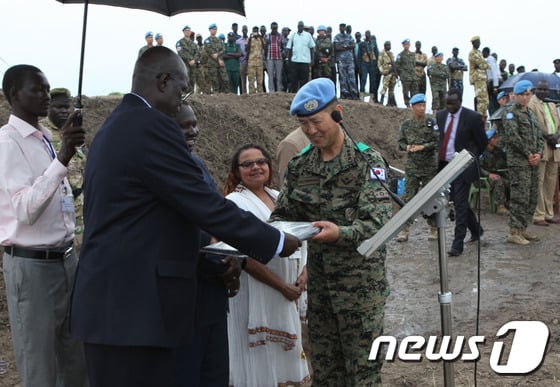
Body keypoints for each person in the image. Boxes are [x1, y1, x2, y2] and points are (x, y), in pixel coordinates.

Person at [69, 46, 300, 387]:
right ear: (163, 81)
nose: (183, 98)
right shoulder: (149, 126)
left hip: (119, 306)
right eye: (182, 88)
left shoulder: (120, 124)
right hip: (132, 307)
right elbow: (204, 204)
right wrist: (278, 239)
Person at [269, 77, 393, 386]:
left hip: (360, 293)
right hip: (321, 292)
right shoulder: (300, 167)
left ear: (337, 114)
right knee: (325, 375)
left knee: (362, 376)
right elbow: (281, 216)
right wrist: (280, 233)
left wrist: (341, 233)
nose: (310, 130)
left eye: (316, 121)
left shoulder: (368, 162)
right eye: (303, 124)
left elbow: (377, 224)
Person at [0, 64, 88, 386]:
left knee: (75, 360)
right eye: (37, 90)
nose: (46, 96)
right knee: (40, 366)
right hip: (32, 268)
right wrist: (62, 158)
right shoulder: (8, 144)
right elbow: (25, 210)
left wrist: (61, 151)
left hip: (66, 260)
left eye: (48, 89)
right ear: (13, 95)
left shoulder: (45, 138)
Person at [224, 144, 311, 387]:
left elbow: (301, 238)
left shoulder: (278, 197)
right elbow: (243, 257)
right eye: (248, 164)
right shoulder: (234, 203)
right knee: (258, 353)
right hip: (257, 290)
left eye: (261, 162)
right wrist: (281, 286)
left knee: (284, 351)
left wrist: (304, 271)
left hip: (289, 290)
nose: (256, 167)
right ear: (236, 171)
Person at [173, 103, 241, 386]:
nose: (193, 131)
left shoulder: (197, 164)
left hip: (213, 291)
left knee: (215, 374)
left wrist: (236, 257)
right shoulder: (162, 169)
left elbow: (216, 215)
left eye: (195, 124)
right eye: (185, 126)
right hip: (184, 295)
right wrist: (222, 261)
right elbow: (181, 228)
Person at [437, 88, 488, 256]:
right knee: (460, 202)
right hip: (445, 165)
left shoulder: (472, 117)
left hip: (463, 167)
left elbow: (482, 142)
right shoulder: (441, 115)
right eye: (448, 103)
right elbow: (442, 138)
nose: (450, 106)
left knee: (459, 204)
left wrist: (470, 158)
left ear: (460, 101)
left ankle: (457, 244)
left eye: (453, 103)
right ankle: (476, 229)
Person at [39, 87, 87, 252]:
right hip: (55, 208)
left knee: (80, 253)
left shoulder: (75, 131)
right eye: (58, 107)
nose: (64, 111)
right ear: (48, 107)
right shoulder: (42, 134)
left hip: (78, 207)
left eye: (67, 107)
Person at [502, 80, 544, 244]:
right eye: (522, 95)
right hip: (519, 162)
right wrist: (528, 154)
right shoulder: (511, 112)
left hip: (533, 162)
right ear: (516, 95)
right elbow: (513, 137)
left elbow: (539, 137)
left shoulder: (531, 114)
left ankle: (523, 229)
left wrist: (538, 153)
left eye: (528, 94)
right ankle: (514, 231)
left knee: (531, 196)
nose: (525, 98)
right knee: (520, 197)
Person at [396, 93, 439, 242]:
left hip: (429, 167)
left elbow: (436, 142)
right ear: (412, 107)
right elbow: (400, 143)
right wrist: (407, 147)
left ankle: (433, 228)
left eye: (423, 105)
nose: (422, 108)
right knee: (407, 198)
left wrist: (423, 147)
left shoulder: (431, 122)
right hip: (412, 167)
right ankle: (404, 229)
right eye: (419, 106)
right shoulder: (406, 124)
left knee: (431, 198)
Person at [528, 80, 560, 225]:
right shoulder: (531, 104)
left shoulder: (552, 105)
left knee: (550, 181)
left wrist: (556, 136)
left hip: (554, 147)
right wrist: (547, 136)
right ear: (535, 90)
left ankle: (549, 213)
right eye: (540, 89)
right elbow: (531, 126)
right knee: (539, 181)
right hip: (540, 146)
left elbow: (558, 124)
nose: (543, 92)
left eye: (545, 90)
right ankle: (538, 215)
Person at [479, 129, 509, 215]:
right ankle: (500, 206)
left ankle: (508, 203)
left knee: (509, 182)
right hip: (483, 178)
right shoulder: (482, 152)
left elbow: (503, 163)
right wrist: (488, 174)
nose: (497, 140)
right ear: (488, 140)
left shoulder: (498, 151)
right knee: (498, 181)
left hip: (496, 175)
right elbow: (478, 168)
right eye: (494, 138)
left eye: (497, 138)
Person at [176, 25, 208, 94]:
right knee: (186, 82)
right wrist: (190, 59)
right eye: (186, 31)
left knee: (193, 83)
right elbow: (181, 53)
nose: (187, 32)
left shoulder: (194, 44)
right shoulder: (179, 43)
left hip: (194, 66)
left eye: (189, 31)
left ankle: (192, 98)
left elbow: (198, 53)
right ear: (184, 32)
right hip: (185, 65)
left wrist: (194, 60)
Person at [286, 21, 315, 93]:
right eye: (299, 26)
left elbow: (312, 48)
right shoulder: (293, 35)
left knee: (304, 80)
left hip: (305, 61)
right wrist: (287, 59)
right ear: (297, 26)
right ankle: (293, 93)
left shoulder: (308, 35)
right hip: (295, 61)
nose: (300, 27)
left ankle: (303, 93)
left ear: (303, 27)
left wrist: (312, 59)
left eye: (302, 26)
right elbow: (289, 48)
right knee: (294, 79)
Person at [333, 23, 358, 100]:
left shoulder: (349, 36)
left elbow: (353, 45)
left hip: (350, 60)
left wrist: (343, 46)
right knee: (342, 78)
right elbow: (337, 47)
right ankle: (344, 94)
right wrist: (347, 47)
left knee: (352, 77)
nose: (342, 28)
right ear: (339, 28)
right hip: (341, 61)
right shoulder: (336, 37)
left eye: (344, 27)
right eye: (341, 27)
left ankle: (353, 94)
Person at [468, 36, 490, 122]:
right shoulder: (473, 53)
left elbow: (482, 64)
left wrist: (484, 64)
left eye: (479, 42)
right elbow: (482, 65)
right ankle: (480, 121)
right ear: (473, 43)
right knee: (481, 101)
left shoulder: (479, 52)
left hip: (482, 78)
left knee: (485, 101)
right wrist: (488, 65)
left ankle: (483, 120)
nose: (479, 43)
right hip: (478, 78)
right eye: (477, 42)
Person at [205, 23, 229, 93]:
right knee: (215, 82)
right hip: (212, 64)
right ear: (209, 30)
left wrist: (218, 55)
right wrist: (218, 58)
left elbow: (223, 50)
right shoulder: (207, 41)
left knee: (225, 80)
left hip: (221, 63)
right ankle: (216, 97)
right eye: (213, 29)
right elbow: (211, 52)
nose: (214, 31)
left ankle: (228, 95)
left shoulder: (219, 40)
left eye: (215, 29)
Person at [358, 30, 380, 103]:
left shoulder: (373, 43)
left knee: (372, 81)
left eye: (369, 34)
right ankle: (361, 96)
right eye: (366, 34)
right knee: (363, 79)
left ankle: (371, 98)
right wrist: (359, 66)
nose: (368, 35)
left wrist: (377, 64)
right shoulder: (361, 44)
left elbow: (376, 53)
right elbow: (359, 56)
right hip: (364, 63)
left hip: (372, 63)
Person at [395, 38, 419, 107]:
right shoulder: (400, 55)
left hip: (413, 76)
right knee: (405, 92)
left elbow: (414, 65)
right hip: (405, 77)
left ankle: (413, 104)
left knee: (414, 92)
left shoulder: (412, 54)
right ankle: (407, 104)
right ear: (403, 45)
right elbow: (397, 66)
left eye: (408, 44)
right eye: (405, 44)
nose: (407, 46)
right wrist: (402, 74)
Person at [265, 22, 284, 92]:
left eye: (275, 28)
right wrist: (265, 58)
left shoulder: (280, 36)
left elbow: (282, 46)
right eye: (273, 28)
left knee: (279, 76)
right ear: (271, 28)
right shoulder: (267, 36)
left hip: (279, 58)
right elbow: (265, 48)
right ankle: (271, 91)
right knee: (270, 76)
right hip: (270, 58)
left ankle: (279, 91)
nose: (274, 29)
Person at [246, 26, 265, 94]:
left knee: (260, 80)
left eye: (257, 30)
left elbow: (264, 47)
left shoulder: (261, 39)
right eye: (254, 30)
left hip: (259, 63)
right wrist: (250, 38)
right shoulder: (249, 39)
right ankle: (252, 94)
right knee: (251, 80)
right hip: (251, 62)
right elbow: (246, 49)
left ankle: (260, 93)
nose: (255, 31)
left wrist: (260, 37)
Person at [378, 40, 397, 106]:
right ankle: (381, 100)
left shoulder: (391, 54)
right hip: (387, 72)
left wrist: (396, 73)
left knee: (392, 88)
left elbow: (394, 63)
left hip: (393, 73)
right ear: (385, 46)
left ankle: (390, 102)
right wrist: (383, 72)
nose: (389, 46)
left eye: (389, 45)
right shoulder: (382, 53)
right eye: (387, 45)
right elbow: (379, 64)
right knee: (384, 87)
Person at [482, 47, 500, 115]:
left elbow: (494, 72)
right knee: (492, 103)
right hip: (491, 82)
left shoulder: (490, 59)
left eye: (483, 53)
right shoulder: (488, 60)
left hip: (493, 82)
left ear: (485, 52)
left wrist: (495, 86)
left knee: (495, 104)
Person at [236, 25, 249, 94]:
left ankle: (252, 94)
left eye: (246, 30)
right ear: (242, 31)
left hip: (249, 62)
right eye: (243, 30)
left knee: (250, 79)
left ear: (247, 30)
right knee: (242, 79)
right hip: (241, 62)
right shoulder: (238, 41)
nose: (245, 31)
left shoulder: (250, 40)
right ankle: (244, 93)